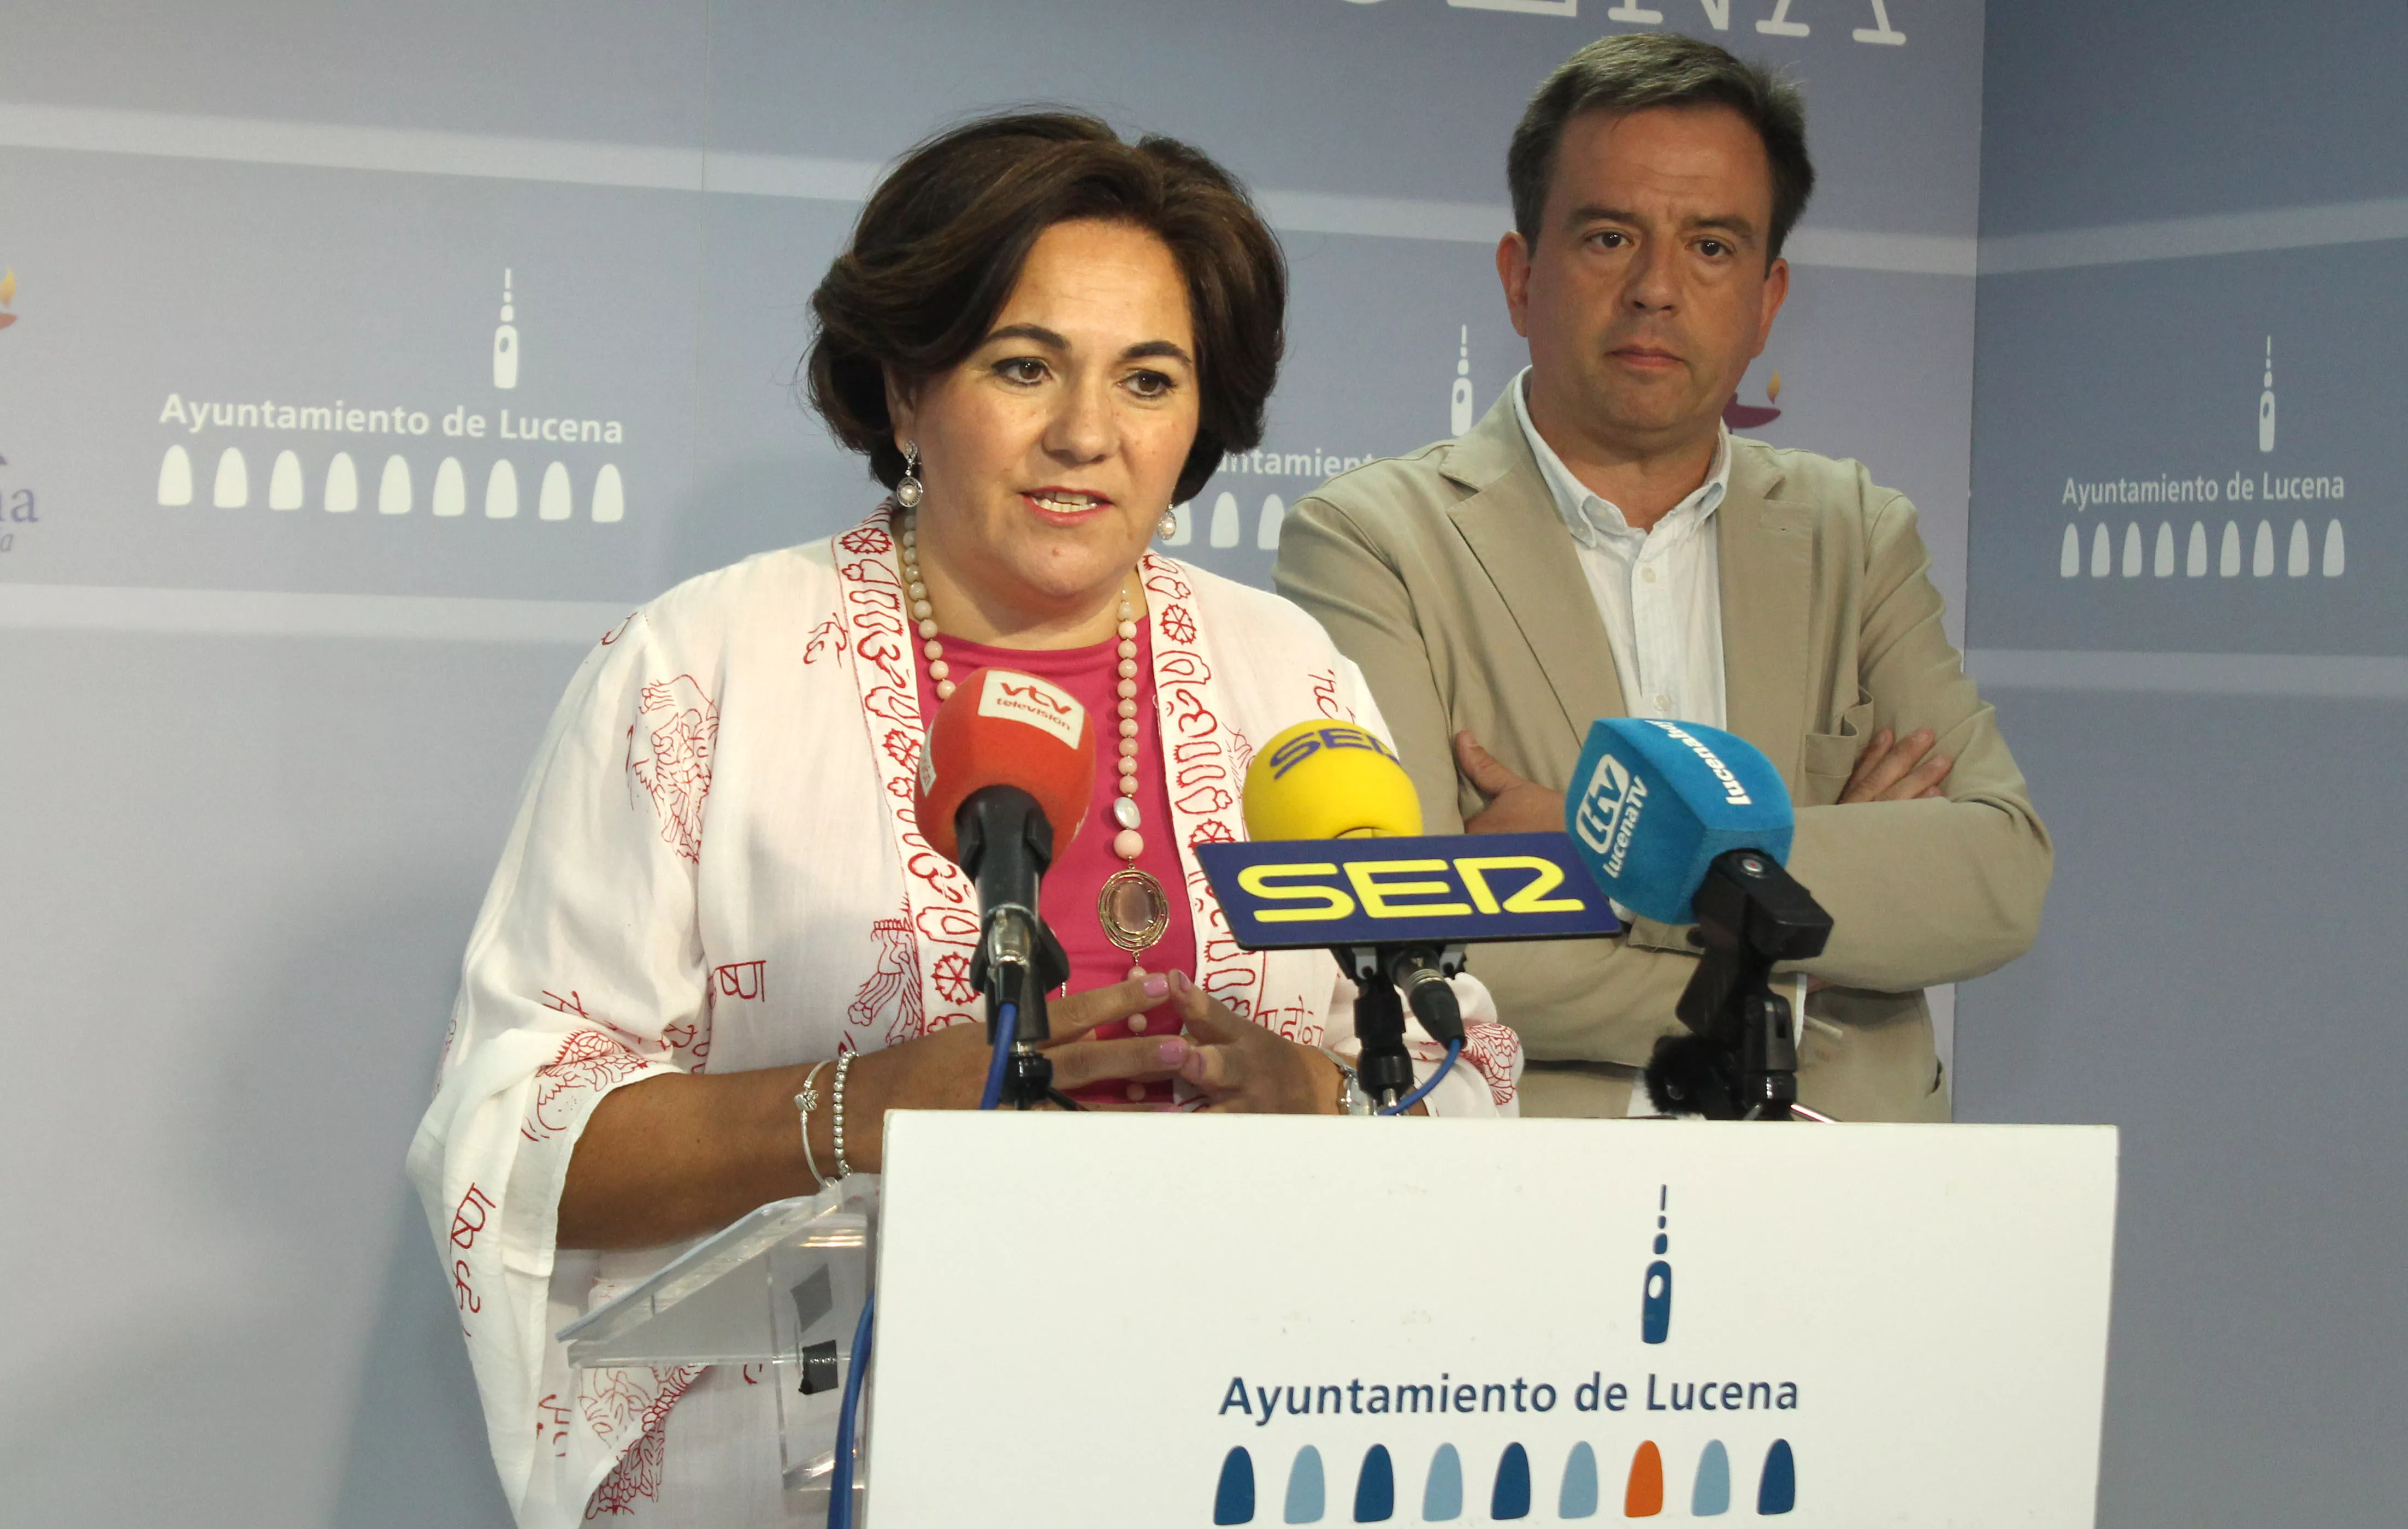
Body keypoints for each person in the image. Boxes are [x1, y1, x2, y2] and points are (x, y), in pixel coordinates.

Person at [407, 112, 1521, 1528]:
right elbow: (519, 1141)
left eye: (1149, 378)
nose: (1085, 435)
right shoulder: (705, 665)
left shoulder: (1289, 673)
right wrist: (853, 1107)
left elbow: (1459, 1056)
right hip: (834, 1462)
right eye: (1022, 365)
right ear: (901, 386)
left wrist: (1314, 1093)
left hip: (1239, 1439)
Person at [1275, 34, 2049, 1123]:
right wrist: (1796, 946)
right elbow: (1421, 948)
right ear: (1517, 274)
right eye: (1606, 236)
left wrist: (1613, 854)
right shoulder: (1372, 541)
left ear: (1768, 295)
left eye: (1712, 247)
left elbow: (1994, 875)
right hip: (1534, 1186)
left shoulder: (1854, 532)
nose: (1654, 290)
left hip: (1847, 1186)